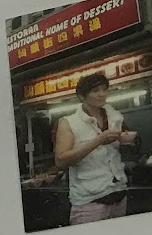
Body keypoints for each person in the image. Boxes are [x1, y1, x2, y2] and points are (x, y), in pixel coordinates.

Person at [54, 72, 132, 225]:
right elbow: (61, 161)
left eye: (104, 89)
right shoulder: (68, 123)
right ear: (81, 96)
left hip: (120, 196)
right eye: (95, 91)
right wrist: (99, 140)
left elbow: (123, 150)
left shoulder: (115, 116)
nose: (102, 94)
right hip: (89, 204)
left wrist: (128, 141)